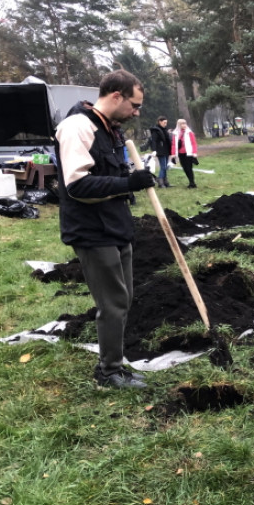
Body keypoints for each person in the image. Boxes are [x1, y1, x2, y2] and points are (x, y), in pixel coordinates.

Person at [53, 69, 156, 390]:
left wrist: (132, 181)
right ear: (116, 96)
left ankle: (116, 363)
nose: (136, 113)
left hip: (115, 225)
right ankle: (108, 372)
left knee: (123, 300)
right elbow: (78, 185)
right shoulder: (77, 127)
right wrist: (128, 182)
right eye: (134, 105)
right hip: (92, 231)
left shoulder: (108, 128)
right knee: (112, 303)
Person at [171, 119, 198, 188]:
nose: (184, 125)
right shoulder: (176, 134)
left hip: (188, 153)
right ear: (179, 125)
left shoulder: (189, 133)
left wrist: (194, 153)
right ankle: (190, 181)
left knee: (189, 168)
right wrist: (173, 154)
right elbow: (174, 144)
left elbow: (193, 143)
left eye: (185, 123)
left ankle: (192, 183)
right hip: (180, 154)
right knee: (184, 168)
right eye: (182, 124)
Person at [149, 116, 172, 188]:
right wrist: (154, 150)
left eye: (166, 123)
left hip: (166, 150)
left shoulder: (165, 130)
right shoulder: (156, 130)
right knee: (163, 167)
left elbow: (167, 140)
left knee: (165, 167)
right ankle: (160, 182)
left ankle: (165, 182)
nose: (165, 124)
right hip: (160, 150)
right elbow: (154, 141)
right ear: (160, 122)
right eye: (164, 122)